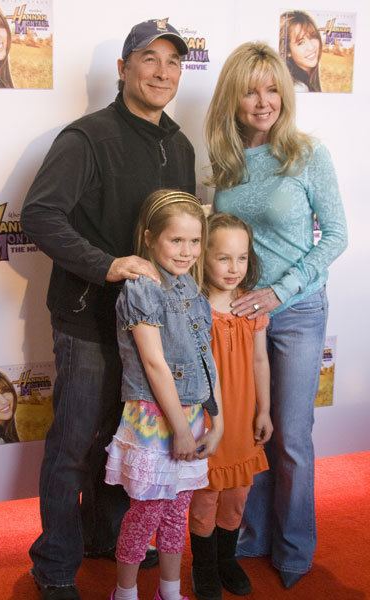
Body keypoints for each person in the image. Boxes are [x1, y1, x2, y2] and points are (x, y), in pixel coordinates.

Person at [20, 18, 195, 600]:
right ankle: (55, 567)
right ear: (123, 69)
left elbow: (180, 237)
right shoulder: (86, 137)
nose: (162, 72)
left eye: (173, 62)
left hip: (150, 330)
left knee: (123, 444)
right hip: (90, 319)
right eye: (149, 59)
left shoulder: (181, 143)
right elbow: (42, 216)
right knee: (73, 447)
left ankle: (104, 539)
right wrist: (108, 263)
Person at [206, 42, 347, 588]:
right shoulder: (226, 162)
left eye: (272, 89)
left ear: (285, 95)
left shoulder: (307, 154)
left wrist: (280, 291)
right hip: (237, 320)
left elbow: (335, 236)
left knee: (290, 438)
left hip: (297, 312)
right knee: (247, 435)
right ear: (232, 97)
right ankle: (252, 535)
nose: (262, 101)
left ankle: (293, 549)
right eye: (250, 89)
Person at [105, 189, 223, 600]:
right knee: (146, 513)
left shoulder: (192, 286)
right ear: (151, 237)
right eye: (177, 240)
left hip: (190, 414)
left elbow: (207, 355)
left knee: (177, 511)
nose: (188, 251)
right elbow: (154, 364)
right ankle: (125, 592)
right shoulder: (142, 287)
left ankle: (169, 592)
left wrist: (217, 419)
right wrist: (181, 430)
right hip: (154, 418)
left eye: (195, 241)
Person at [188, 213, 272, 600]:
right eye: (223, 258)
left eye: (241, 258)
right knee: (205, 496)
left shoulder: (252, 306)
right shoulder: (193, 306)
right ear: (203, 256)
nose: (233, 268)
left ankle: (227, 559)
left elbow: (259, 361)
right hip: (207, 417)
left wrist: (265, 410)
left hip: (243, 417)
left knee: (237, 493)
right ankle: (203, 568)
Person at [279, 10, 322, 92]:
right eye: (301, 42)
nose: (311, 47)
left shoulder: (310, 80)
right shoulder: (299, 88)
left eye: (313, 37)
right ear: (288, 51)